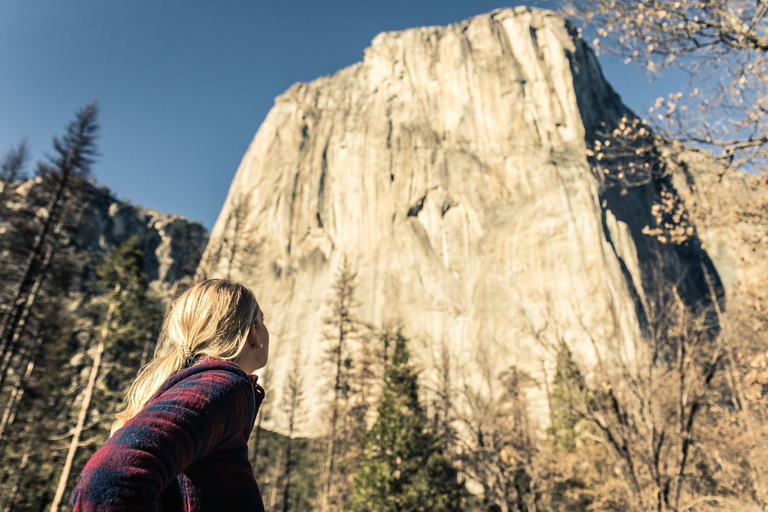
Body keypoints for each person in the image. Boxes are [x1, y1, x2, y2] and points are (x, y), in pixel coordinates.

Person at [71, 279, 269, 512]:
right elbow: (109, 478)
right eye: (263, 321)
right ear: (253, 334)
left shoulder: (197, 383)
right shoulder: (224, 384)